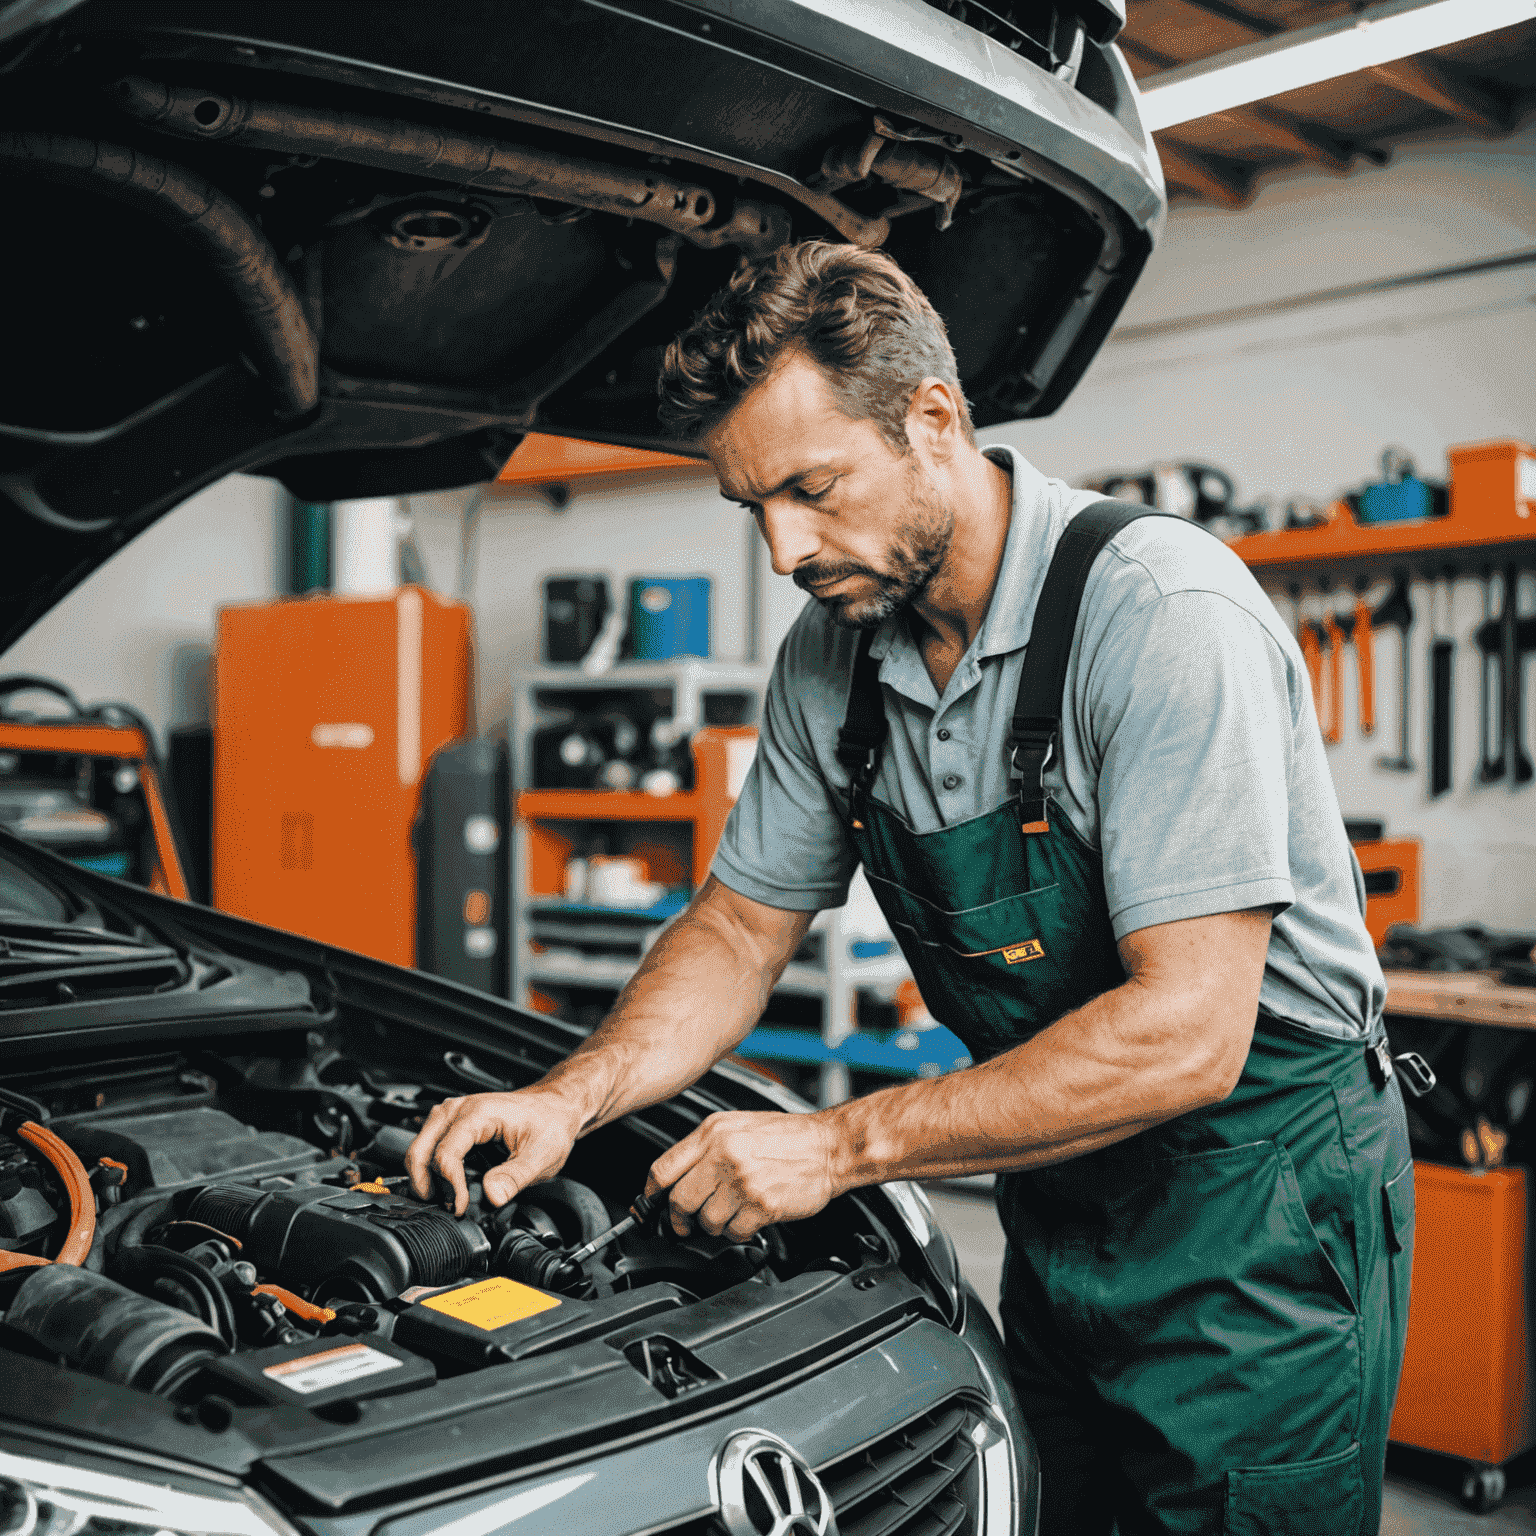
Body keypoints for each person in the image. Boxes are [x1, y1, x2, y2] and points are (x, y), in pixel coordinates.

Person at [407, 241, 1413, 1535]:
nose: (782, 549)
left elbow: (1188, 1034)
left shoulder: (1160, 613)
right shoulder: (834, 654)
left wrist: (837, 1145)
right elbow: (738, 925)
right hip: (1065, 1185)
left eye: (812, 488)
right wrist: (568, 1098)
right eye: (751, 506)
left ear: (933, 419)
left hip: (1259, 1203)